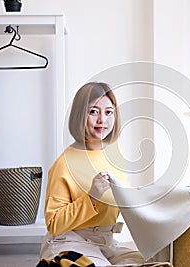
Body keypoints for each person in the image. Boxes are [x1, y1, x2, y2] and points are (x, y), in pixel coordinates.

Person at [39, 82, 146, 266]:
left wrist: (135, 197)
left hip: (107, 244)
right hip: (71, 242)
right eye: (93, 112)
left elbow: (118, 203)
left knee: (153, 262)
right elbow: (54, 224)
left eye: (108, 112)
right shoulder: (64, 164)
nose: (102, 120)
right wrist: (91, 198)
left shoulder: (114, 157)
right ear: (80, 115)